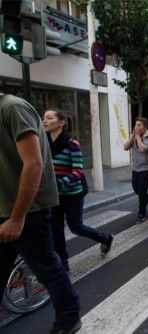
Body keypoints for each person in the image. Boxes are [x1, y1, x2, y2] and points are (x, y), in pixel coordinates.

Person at [0, 93, 81, 333]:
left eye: (50, 118)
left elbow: (34, 163)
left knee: (46, 267)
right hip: (5, 208)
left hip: (26, 210)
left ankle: (69, 317)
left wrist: (17, 218)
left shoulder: (13, 108)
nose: (46, 121)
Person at [43, 109, 113, 272]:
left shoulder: (71, 144)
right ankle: (63, 264)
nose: (44, 121)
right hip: (54, 196)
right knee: (56, 231)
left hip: (73, 194)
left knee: (76, 227)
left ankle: (106, 238)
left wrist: (59, 184)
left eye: (49, 118)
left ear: (61, 123)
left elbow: (77, 171)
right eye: (44, 118)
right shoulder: (44, 143)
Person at [124, 117, 148, 222]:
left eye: (139, 125)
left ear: (145, 127)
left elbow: (142, 149)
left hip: (146, 169)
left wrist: (137, 137)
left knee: (142, 192)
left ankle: (142, 213)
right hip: (136, 169)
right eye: (136, 125)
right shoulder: (134, 137)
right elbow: (125, 147)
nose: (136, 127)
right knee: (137, 190)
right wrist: (133, 136)